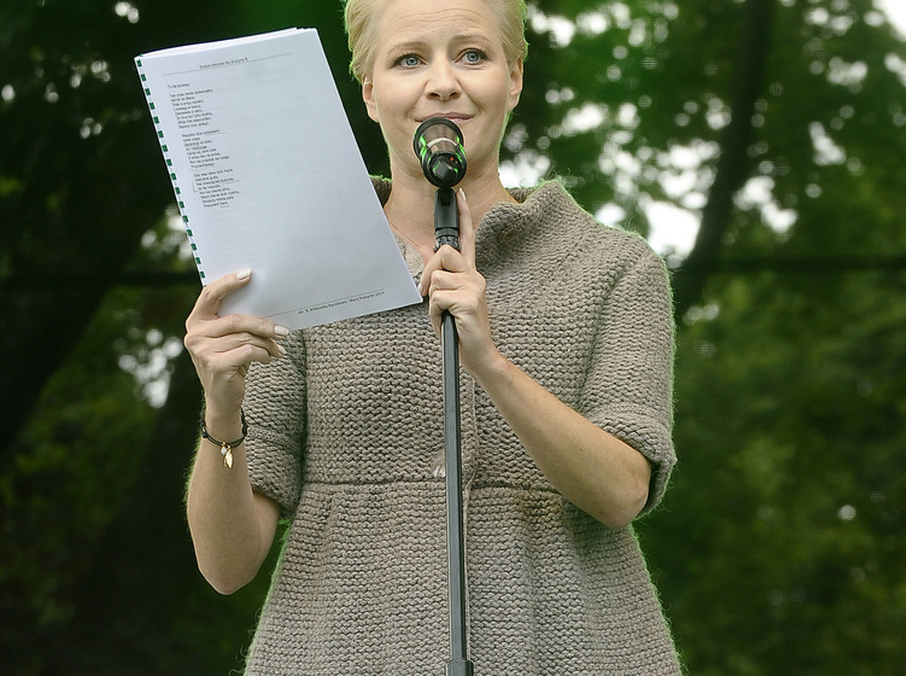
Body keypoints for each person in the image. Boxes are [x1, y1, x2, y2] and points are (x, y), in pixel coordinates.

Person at [182, 0, 680, 672]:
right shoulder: (296, 274)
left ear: (514, 78)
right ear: (369, 92)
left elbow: (623, 491)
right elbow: (226, 565)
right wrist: (221, 409)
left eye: (472, 54)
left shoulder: (611, 267)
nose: (442, 81)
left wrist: (491, 363)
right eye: (409, 58)